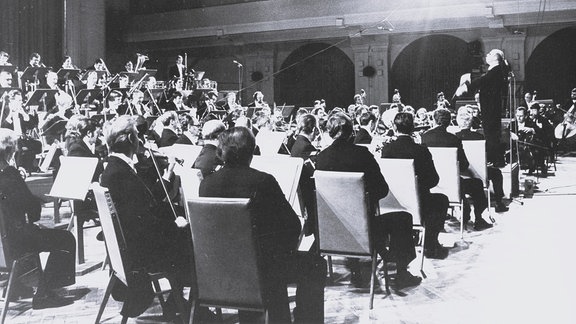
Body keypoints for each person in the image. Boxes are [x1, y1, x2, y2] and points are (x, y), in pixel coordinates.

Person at [199, 127, 326, 323]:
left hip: (221, 270)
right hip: (262, 271)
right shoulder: (263, 181)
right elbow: (292, 226)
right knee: (315, 264)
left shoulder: (207, 184)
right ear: (252, 151)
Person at [100, 115, 193, 318]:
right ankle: (189, 308)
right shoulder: (120, 173)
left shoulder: (114, 168)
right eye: (137, 136)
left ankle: (178, 303)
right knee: (194, 244)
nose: (141, 141)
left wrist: (167, 174)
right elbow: (143, 222)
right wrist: (175, 225)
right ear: (132, 140)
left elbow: (145, 204)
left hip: (133, 248)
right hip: (141, 254)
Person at [315, 112, 422, 288]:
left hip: (333, 229)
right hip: (365, 227)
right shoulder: (362, 154)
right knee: (403, 218)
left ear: (329, 132)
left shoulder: (321, 157)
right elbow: (381, 189)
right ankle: (401, 272)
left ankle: (356, 267)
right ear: (351, 132)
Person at [0, 128, 76, 309]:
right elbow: (32, 209)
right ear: (11, 150)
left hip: (4, 242)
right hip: (16, 240)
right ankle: (45, 293)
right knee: (65, 239)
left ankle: (17, 287)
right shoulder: (9, 173)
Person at [381, 112, 450, 259]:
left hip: (393, 202)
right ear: (413, 128)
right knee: (441, 200)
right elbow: (433, 180)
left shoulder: (386, 150)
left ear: (394, 127)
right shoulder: (421, 150)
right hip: (418, 201)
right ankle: (431, 244)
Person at [421, 108, 493, 231]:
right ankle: (478, 219)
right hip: (452, 184)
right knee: (477, 183)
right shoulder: (453, 139)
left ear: (433, 120)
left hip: (432, 184)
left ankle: (464, 211)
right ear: (449, 122)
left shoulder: (424, 137)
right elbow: (464, 165)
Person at [456, 49, 510, 166]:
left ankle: (494, 160)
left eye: (490, 54)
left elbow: (483, 80)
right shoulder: (495, 70)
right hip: (490, 108)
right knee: (491, 133)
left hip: (490, 108)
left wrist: (467, 87)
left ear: (496, 57)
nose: (487, 55)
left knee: (491, 134)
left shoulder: (496, 70)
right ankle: (495, 159)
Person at [455, 109, 509, 213]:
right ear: (471, 123)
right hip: (480, 174)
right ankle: (499, 203)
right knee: (497, 173)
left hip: (460, 174)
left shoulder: (454, 138)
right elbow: (487, 156)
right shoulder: (479, 137)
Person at [290, 114, 320, 236]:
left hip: (301, 193)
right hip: (310, 197)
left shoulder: (296, 143)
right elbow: (315, 174)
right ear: (313, 129)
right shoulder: (308, 147)